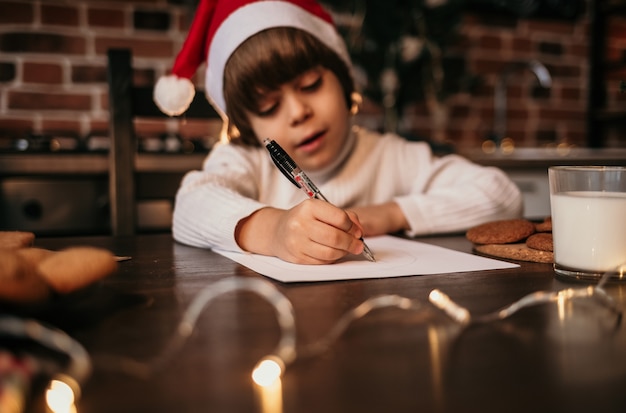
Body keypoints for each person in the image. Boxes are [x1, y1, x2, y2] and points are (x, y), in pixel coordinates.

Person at [154, 0, 523, 265]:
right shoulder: (244, 159)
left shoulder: (391, 155)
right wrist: (274, 231)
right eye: (269, 107)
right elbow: (189, 207)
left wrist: (386, 215)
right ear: (249, 125)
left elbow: (502, 195)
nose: (299, 112)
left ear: (345, 82)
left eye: (311, 84)